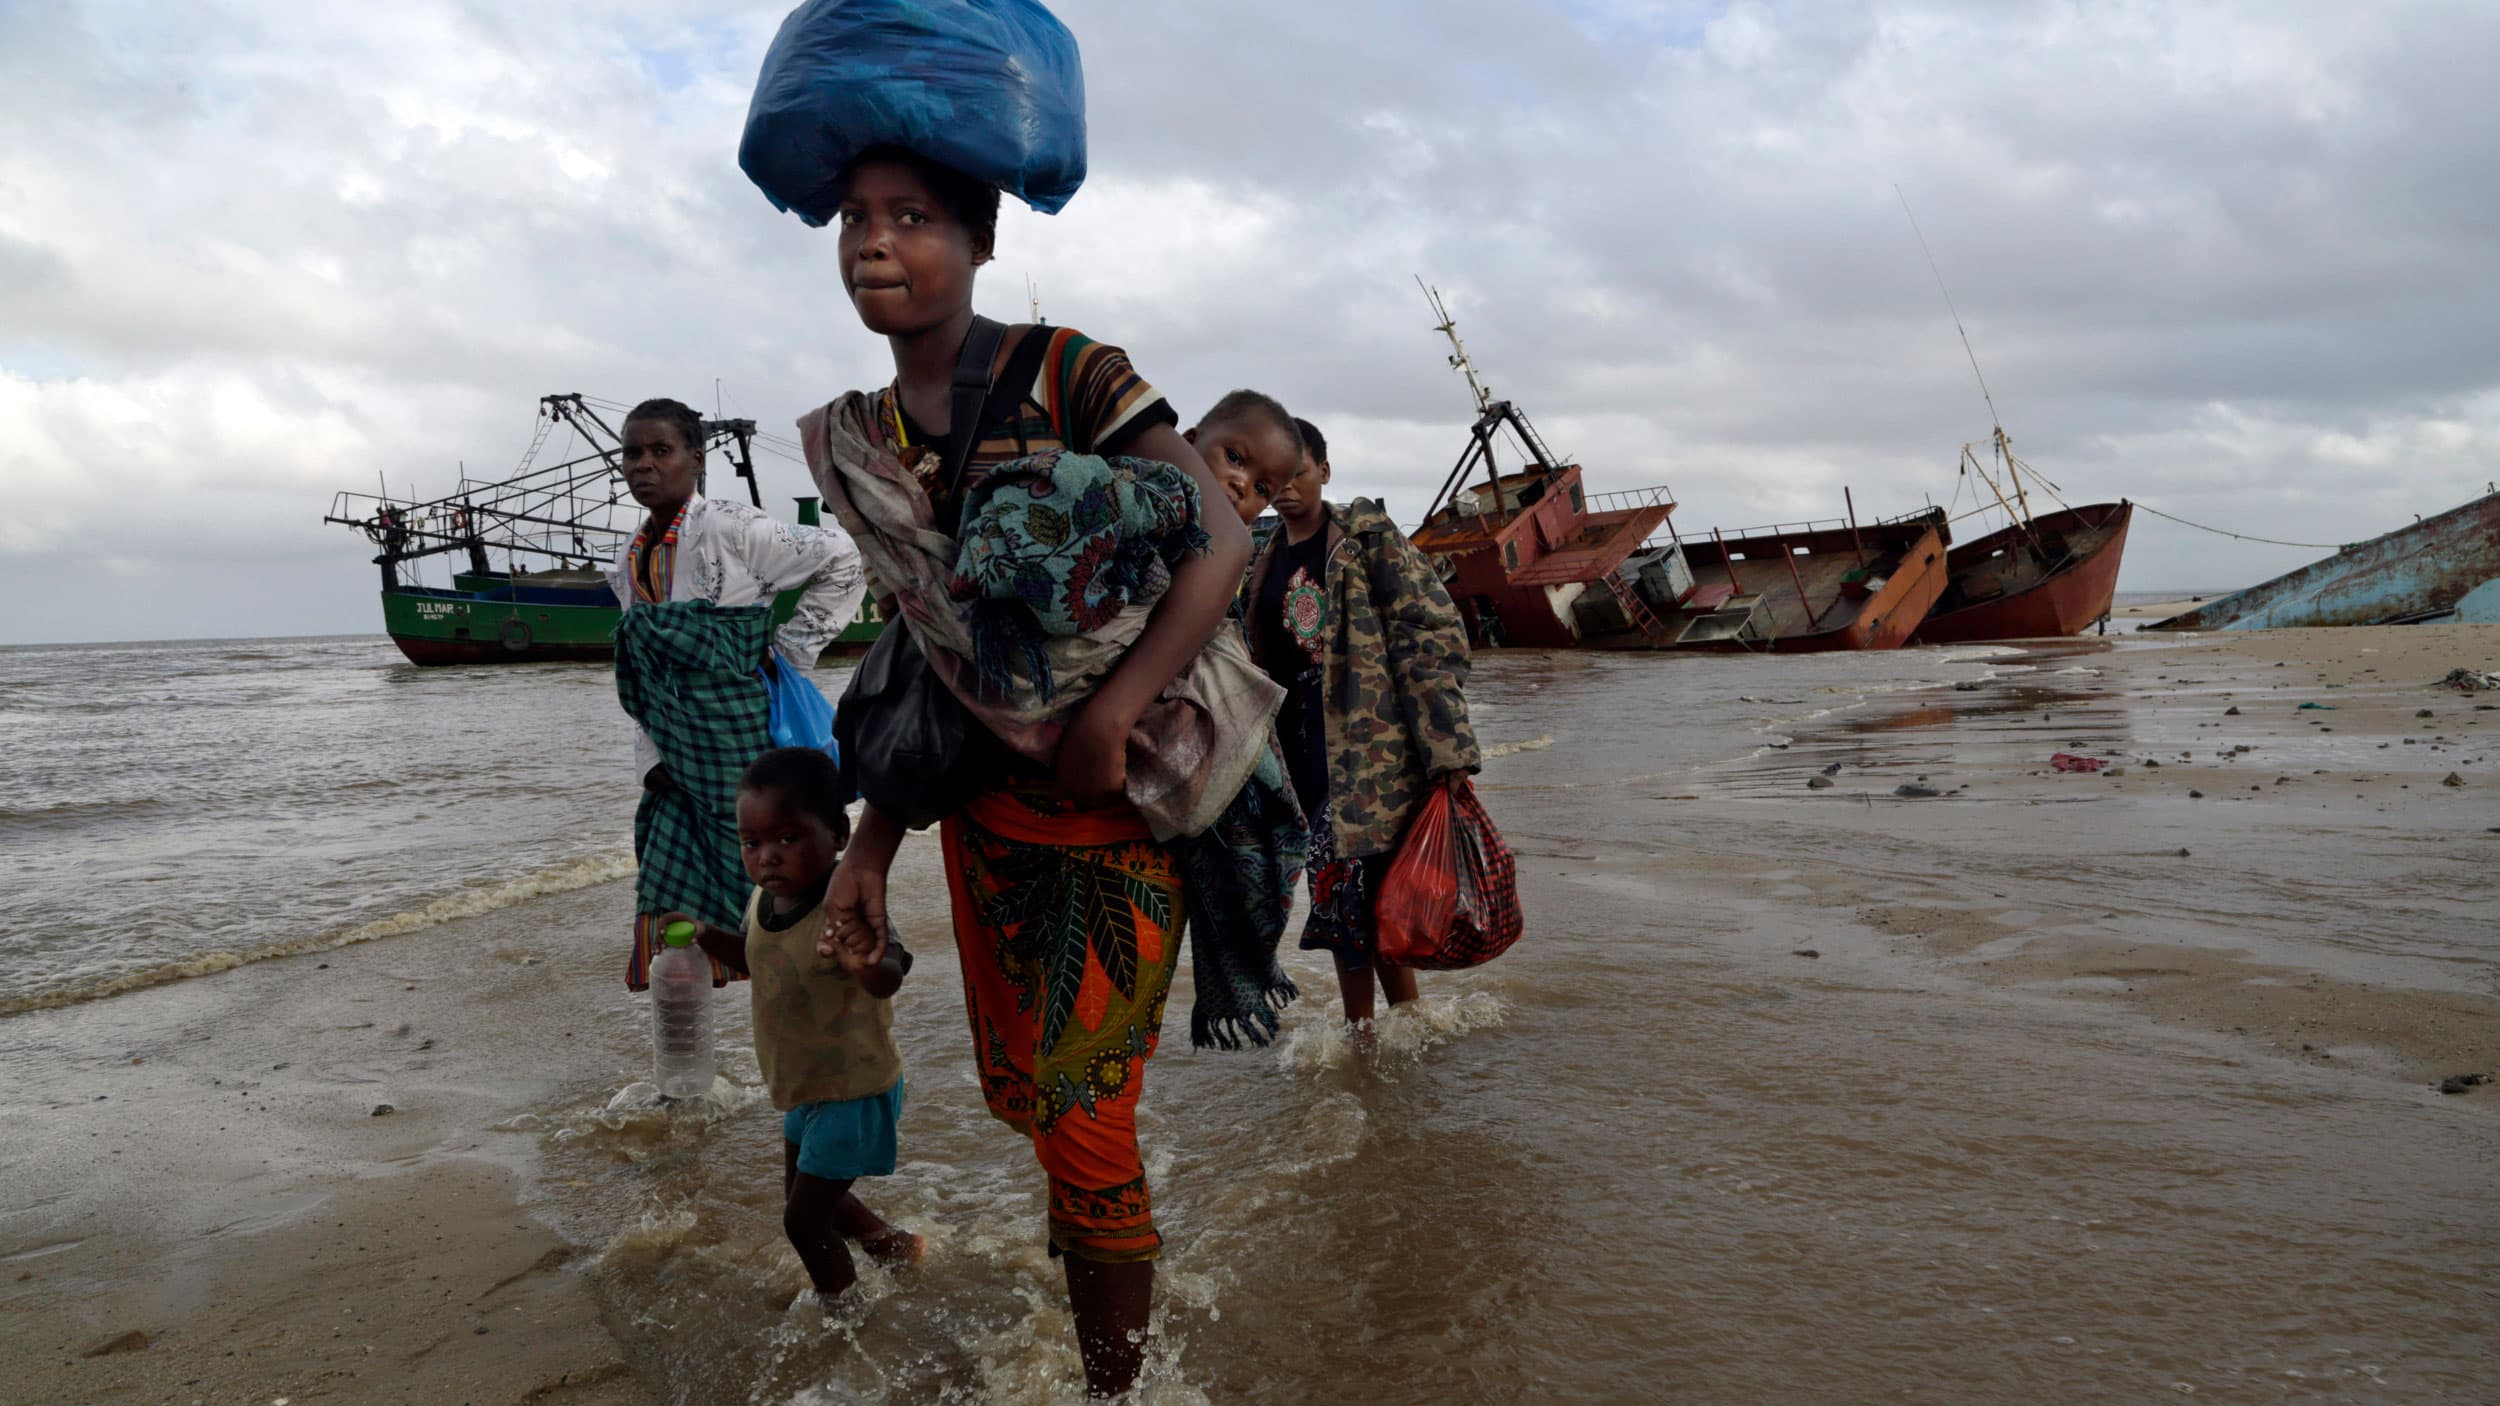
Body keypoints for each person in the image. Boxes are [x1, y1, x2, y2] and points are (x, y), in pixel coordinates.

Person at [796, 145, 1285, 1398]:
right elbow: (925, 654)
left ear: (981, 243)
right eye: (856, 217)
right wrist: (867, 847)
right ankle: (1094, 1319)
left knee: (1083, 1114)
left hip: (1121, 809)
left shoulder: (1066, 368)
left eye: (913, 217)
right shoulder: (868, 433)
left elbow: (1220, 536)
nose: (877, 241)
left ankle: (1115, 1388)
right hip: (988, 821)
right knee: (1036, 1101)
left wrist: (1111, 708)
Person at [610, 398, 867, 992]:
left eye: (659, 451)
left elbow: (842, 557)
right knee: (673, 872)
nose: (643, 465)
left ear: (695, 460)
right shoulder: (628, 557)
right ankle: (698, 1022)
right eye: (632, 454)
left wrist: (792, 654)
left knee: (762, 866)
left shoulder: (731, 526)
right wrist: (650, 759)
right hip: (676, 749)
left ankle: (808, 985)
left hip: (737, 730)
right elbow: (643, 677)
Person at [1243, 412, 1482, 1027]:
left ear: (1325, 471)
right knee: (1356, 895)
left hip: (1369, 750)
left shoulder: (1366, 541)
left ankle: (1370, 1035)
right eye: (1273, 477)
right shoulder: (1263, 560)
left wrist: (1448, 749)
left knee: (1349, 889)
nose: (1287, 486)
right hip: (1301, 750)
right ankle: (1398, 1031)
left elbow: (1430, 635)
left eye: (1299, 471)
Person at [667, 747, 919, 1304]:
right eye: (752, 843)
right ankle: (892, 1246)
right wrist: (707, 936)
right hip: (805, 1085)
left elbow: (891, 971)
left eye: (787, 838)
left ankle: (844, 1314)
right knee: (808, 1199)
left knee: (804, 1221)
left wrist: (867, 963)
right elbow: (762, 961)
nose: (767, 859)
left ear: (836, 834)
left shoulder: (845, 906)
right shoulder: (763, 901)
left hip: (854, 1088)